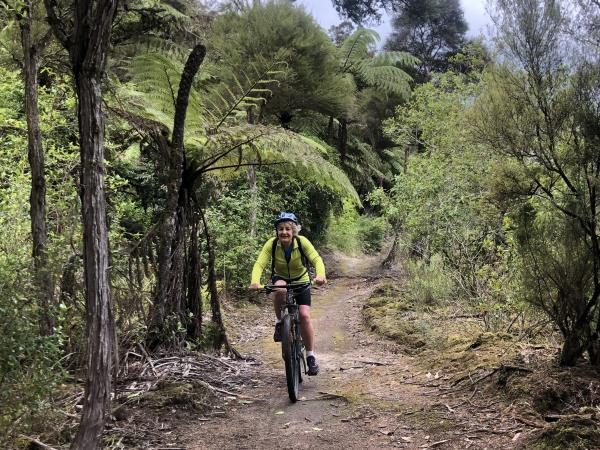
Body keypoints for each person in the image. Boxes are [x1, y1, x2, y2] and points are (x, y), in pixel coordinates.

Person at [249, 212, 327, 376]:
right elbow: (260, 263)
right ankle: (279, 323)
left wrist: (320, 275)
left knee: (304, 315)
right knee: (279, 289)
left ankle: (310, 356)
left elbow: (316, 259)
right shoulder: (271, 244)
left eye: (287, 229)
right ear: (276, 231)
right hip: (281, 278)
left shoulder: (302, 242)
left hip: (301, 280)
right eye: (280, 229)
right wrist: (255, 281)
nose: (284, 232)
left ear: (293, 231)